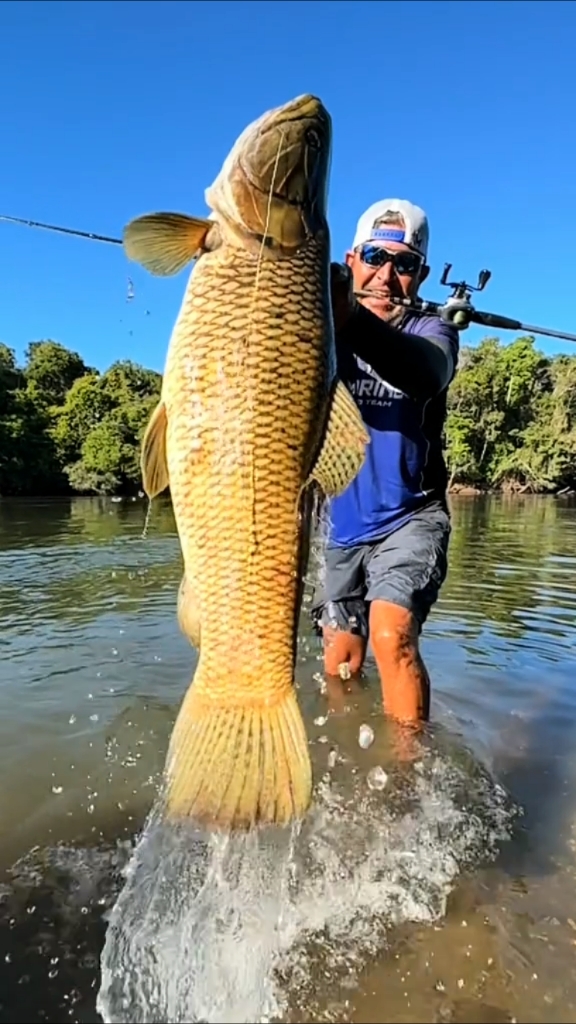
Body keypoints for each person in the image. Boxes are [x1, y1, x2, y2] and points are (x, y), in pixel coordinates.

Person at [312, 198, 460, 727]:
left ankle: (407, 777)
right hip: (339, 530)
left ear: (419, 276)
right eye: (376, 256)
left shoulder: (434, 334)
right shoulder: (320, 330)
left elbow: (425, 373)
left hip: (411, 519)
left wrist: (349, 317)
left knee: (391, 633)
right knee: (340, 660)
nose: (387, 275)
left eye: (405, 265)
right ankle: (347, 757)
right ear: (350, 260)